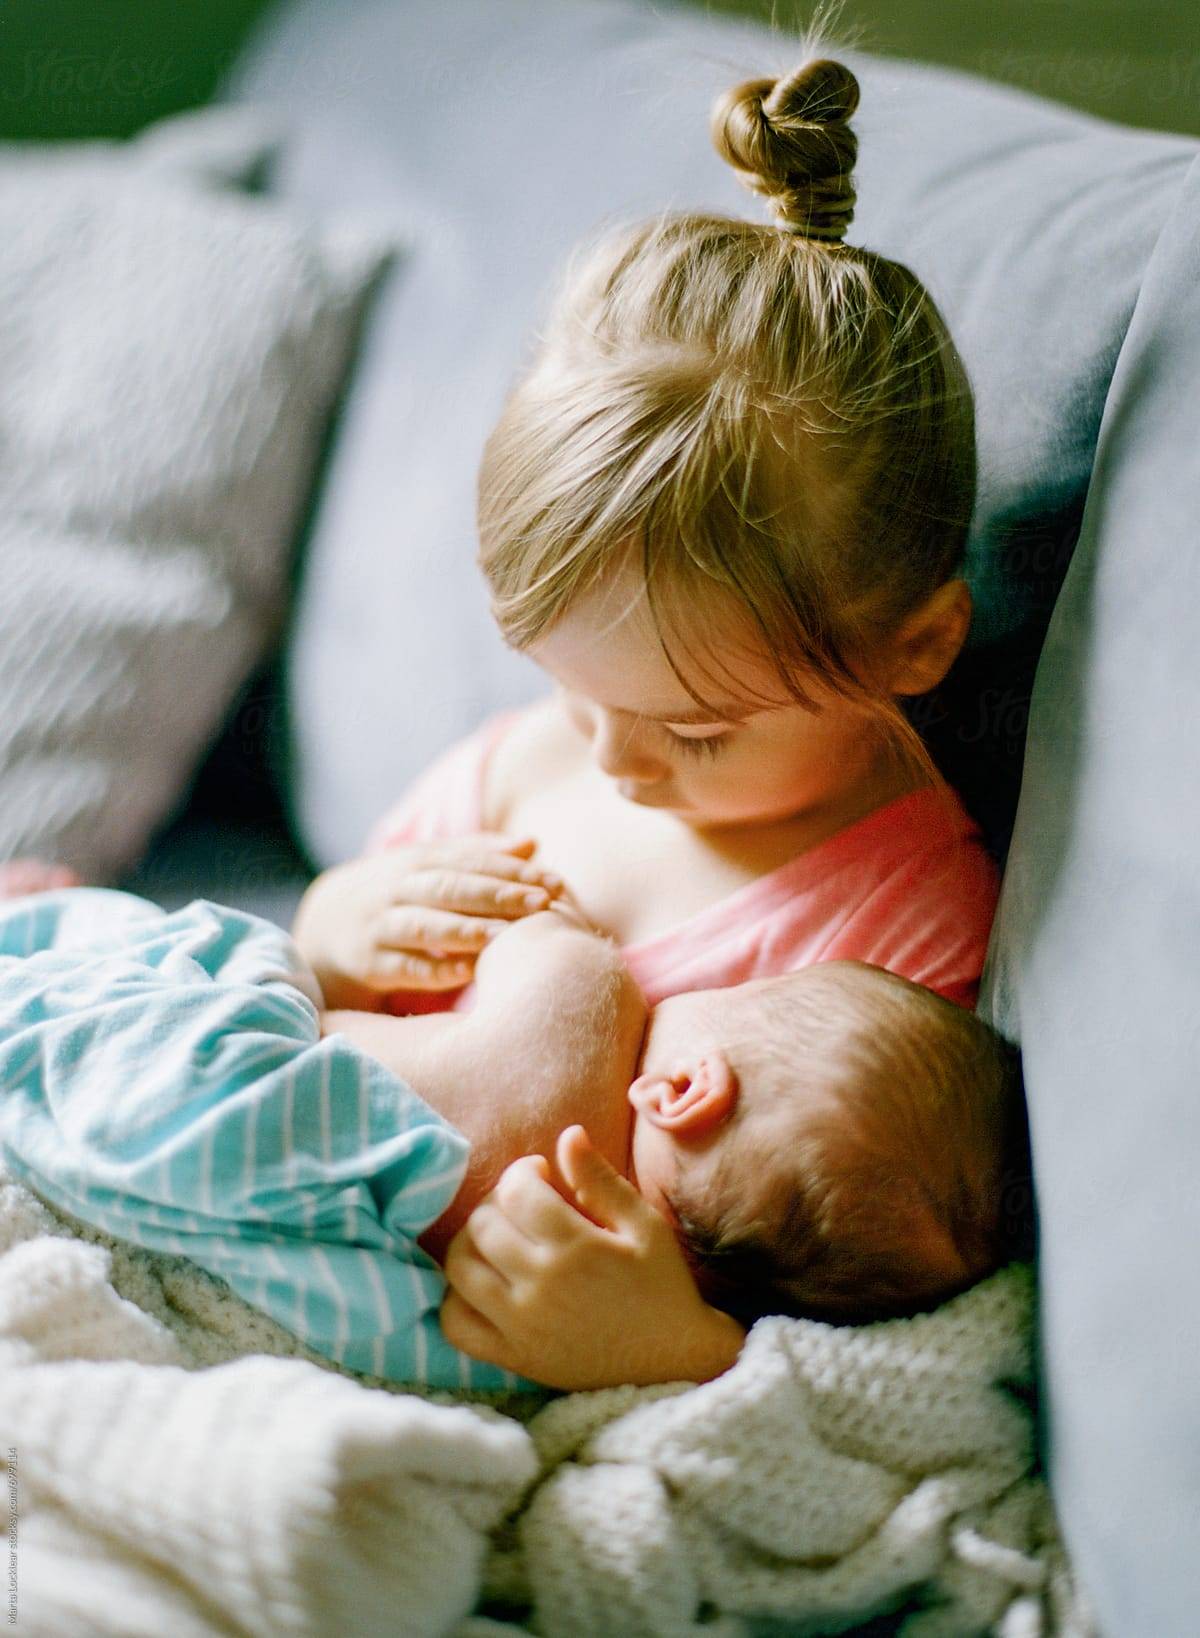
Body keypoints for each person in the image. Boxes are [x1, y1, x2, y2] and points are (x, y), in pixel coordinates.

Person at [293, 53, 997, 1026]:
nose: (615, 762)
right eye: (575, 690)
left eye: (697, 730)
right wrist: (329, 939)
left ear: (914, 645)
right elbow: (321, 1016)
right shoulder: (515, 778)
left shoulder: (896, 933)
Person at [0, 890, 1023, 1394]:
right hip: (287, 1261)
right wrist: (696, 1352)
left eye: (743, 993)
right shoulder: (591, 1324)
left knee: (202, 962)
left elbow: (539, 932)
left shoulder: (592, 994)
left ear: (686, 1089)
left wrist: (570, 942)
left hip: (211, 1080)